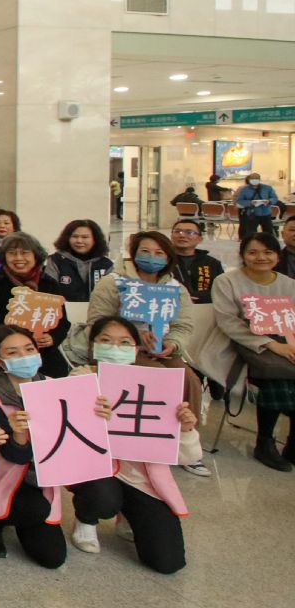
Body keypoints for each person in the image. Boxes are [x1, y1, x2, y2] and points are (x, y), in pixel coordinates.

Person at [0, 325, 111, 568]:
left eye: (29, 349)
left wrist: (100, 416)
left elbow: (80, 441)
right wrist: (18, 432)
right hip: (3, 476)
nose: (24, 357)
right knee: (34, 509)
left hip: (42, 478)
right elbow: (14, 455)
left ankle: (22, 515)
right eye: (13, 352)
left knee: (52, 557)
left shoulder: (52, 386)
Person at [67, 317, 199, 572]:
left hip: (141, 479)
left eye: (124, 342)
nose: (115, 348)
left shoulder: (156, 385)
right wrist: (92, 418)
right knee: (104, 497)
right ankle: (86, 518)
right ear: (93, 345)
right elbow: (67, 442)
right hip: (97, 473)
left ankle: (128, 516)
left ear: (137, 349)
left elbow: (187, 456)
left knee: (167, 562)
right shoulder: (81, 377)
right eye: (106, 340)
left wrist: (185, 429)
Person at [82, 230, 207, 476]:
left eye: (159, 253)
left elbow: (183, 326)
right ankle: (151, 439)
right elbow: (97, 322)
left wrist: (172, 344)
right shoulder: (113, 282)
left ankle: (185, 440)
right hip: (121, 349)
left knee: (189, 379)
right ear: (134, 253)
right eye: (145, 251)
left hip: (162, 349)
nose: (152, 257)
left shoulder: (175, 288)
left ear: (168, 258)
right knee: (158, 377)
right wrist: (135, 337)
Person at [197, 232, 295, 471]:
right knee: (275, 373)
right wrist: (271, 344)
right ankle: (265, 441)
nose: (261, 257)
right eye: (253, 252)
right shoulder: (227, 281)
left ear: (277, 255)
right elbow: (228, 321)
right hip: (239, 341)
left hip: (286, 341)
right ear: (242, 255)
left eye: (268, 252)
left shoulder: (288, 284)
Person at [0, 232, 69, 380]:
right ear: (4, 257)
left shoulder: (49, 284)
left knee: (58, 374)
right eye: (12, 253)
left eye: (25, 253)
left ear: (36, 256)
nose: (19, 258)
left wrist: (52, 337)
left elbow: (63, 322)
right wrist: (12, 340)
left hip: (42, 352)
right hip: (1, 352)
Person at [44, 219, 113, 303]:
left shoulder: (106, 265)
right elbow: (49, 293)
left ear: (95, 239)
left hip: (98, 310)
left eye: (85, 237)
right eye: (75, 236)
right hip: (62, 309)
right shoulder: (55, 261)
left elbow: (111, 295)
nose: (79, 241)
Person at [169, 219, 222, 304]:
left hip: (204, 307)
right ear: (171, 236)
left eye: (189, 232)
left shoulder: (212, 263)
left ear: (200, 239)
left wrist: (200, 298)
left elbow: (221, 290)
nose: (182, 235)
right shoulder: (164, 260)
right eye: (177, 231)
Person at [235, 172, 278, 237]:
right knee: (251, 233)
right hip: (252, 213)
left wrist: (269, 201)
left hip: (266, 213)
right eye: (252, 179)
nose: (254, 180)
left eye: (256, 178)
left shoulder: (267, 188)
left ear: (259, 179)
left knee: (268, 232)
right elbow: (240, 201)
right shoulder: (245, 189)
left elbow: (274, 198)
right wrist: (250, 203)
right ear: (249, 180)